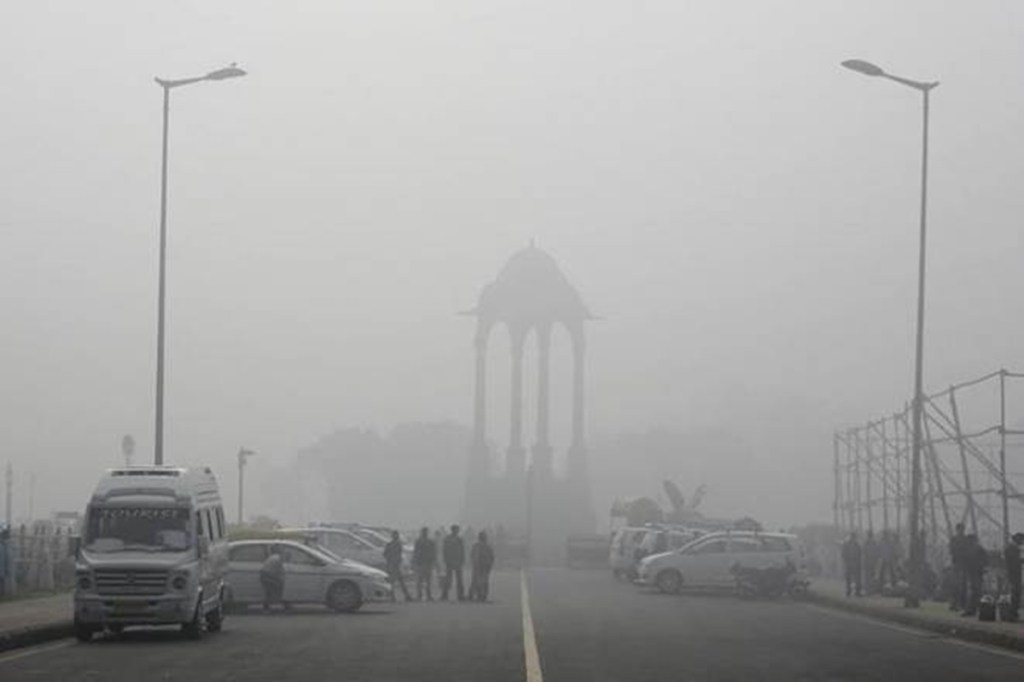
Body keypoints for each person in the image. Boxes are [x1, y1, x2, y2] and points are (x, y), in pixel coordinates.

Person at [962, 534, 987, 616]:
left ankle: (971, 610)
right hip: (973, 572)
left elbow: (985, 560)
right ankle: (972, 610)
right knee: (975, 591)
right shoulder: (972, 549)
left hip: (975, 572)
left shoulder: (977, 549)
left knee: (975, 591)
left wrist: (981, 567)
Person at [384, 530, 411, 602]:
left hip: (394, 565)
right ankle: (395, 597)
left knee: (396, 582)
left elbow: (386, 554)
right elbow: (387, 554)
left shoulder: (391, 544)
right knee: (395, 582)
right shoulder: (395, 544)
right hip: (394, 566)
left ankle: (404, 596)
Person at [469, 531, 495, 602]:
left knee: (480, 581)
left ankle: (480, 595)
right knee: (481, 581)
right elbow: (492, 557)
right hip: (482, 566)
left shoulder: (479, 546)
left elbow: (472, 556)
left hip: (482, 566)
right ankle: (481, 595)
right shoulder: (486, 546)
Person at [441, 524, 466, 601]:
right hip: (451, 561)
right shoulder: (450, 539)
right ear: (453, 530)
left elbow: (462, 551)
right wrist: (445, 559)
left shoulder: (458, 539)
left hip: (456, 561)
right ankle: (446, 595)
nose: (457, 531)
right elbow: (444, 550)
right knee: (449, 580)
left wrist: (462, 559)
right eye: (456, 530)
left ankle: (459, 595)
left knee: (458, 580)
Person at [412, 527, 437, 601]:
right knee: (421, 581)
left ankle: (426, 595)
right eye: (424, 532)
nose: (424, 533)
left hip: (426, 563)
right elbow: (416, 552)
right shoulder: (420, 541)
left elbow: (433, 552)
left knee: (426, 581)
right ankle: (421, 595)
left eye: (425, 532)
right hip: (421, 563)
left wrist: (433, 561)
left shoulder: (428, 542)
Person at [1003, 532, 1023, 622]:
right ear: (1018, 539)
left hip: (1013, 574)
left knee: (1015, 594)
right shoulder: (1012, 548)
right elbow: (1014, 562)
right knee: (1015, 594)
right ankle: (1012, 614)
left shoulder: (1011, 548)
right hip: (1014, 574)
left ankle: (1013, 614)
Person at [260, 545, 286, 611]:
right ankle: (282, 602)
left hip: (265, 575)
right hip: (268, 575)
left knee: (269, 591)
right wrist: (281, 578)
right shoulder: (278, 558)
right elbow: (280, 570)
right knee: (279, 586)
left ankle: (267, 606)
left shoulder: (272, 557)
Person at [948, 522, 968, 611]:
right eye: (960, 529)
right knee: (955, 585)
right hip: (957, 563)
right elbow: (951, 550)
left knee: (962, 585)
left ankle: (961, 604)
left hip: (962, 564)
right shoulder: (954, 539)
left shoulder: (964, 539)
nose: (961, 531)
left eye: (962, 529)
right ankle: (954, 603)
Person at [841, 532, 862, 598]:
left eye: (854, 536)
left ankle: (857, 591)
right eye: (853, 536)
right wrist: (846, 560)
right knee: (848, 578)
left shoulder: (857, 544)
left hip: (855, 562)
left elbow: (860, 553)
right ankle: (848, 591)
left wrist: (858, 561)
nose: (853, 538)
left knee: (857, 578)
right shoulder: (847, 543)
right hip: (849, 562)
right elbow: (843, 553)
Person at [862, 529, 879, 595]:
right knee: (870, 576)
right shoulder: (868, 542)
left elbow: (876, 552)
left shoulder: (871, 542)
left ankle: (869, 590)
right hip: (869, 561)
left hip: (870, 561)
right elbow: (864, 552)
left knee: (869, 576)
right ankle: (869, 590)